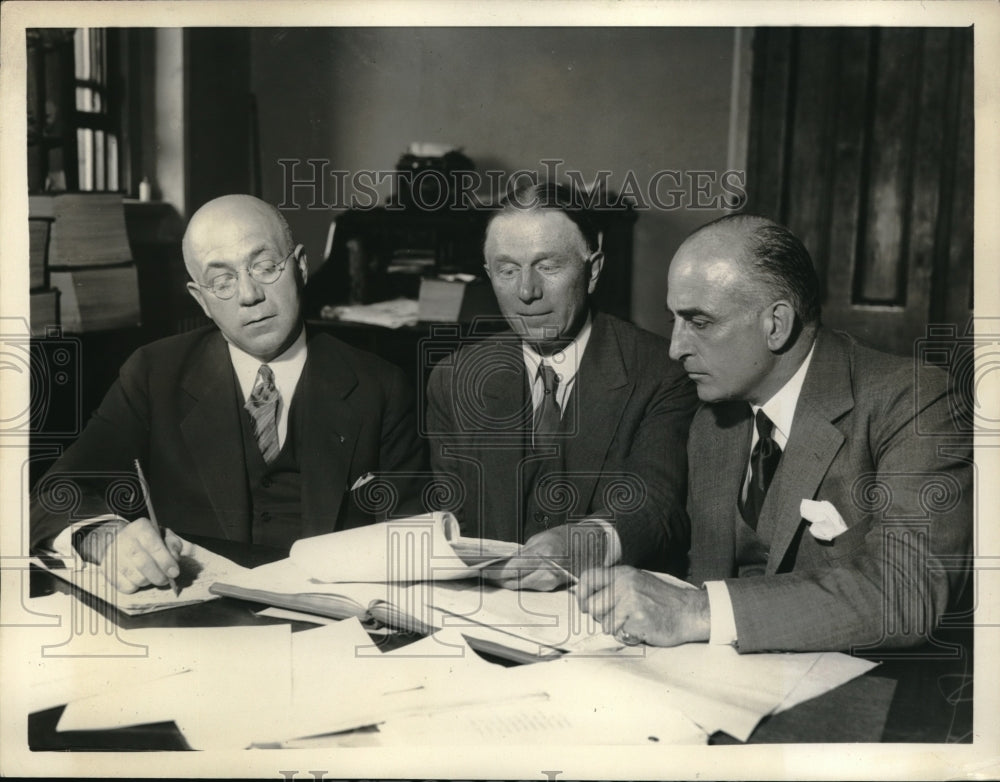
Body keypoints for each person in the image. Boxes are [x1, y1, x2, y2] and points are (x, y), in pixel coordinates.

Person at [578, 214, 972, 652]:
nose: (675, 348)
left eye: (699, 323)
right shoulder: (712, 420)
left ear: (776, 324)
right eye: (674, 321)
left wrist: (696, 611)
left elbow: (907, 593)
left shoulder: (915, 402)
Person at [31, 194, 426, 593]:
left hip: (335, 614)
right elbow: (52, 495)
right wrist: (105, 539)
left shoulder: (381, 386)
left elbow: (413, 544)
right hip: (198, 616)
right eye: (222, 281)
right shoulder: (154, 374)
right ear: (200, 299)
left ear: (302, 267)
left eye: (265, 267)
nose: (249, 295)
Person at [426, 183, 697, 589]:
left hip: (605, 605)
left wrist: (583, 545)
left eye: (548, 267)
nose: (526, 292)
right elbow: (454, 527)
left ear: (594, 271)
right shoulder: (455, 378)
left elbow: (658, 507)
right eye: (507, 270)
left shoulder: (661, 372)